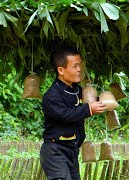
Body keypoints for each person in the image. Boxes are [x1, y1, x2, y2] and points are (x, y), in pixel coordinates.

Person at [40, 47, 107, 180]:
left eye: (80, 65)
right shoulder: (52, 95)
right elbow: (65, 115)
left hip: (72, 150)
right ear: (61, 70)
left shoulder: (77, 90)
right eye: (75, 66)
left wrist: (105, 100)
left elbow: (89, 103)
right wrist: (88, 109)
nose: (79, 70)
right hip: (55, 151)